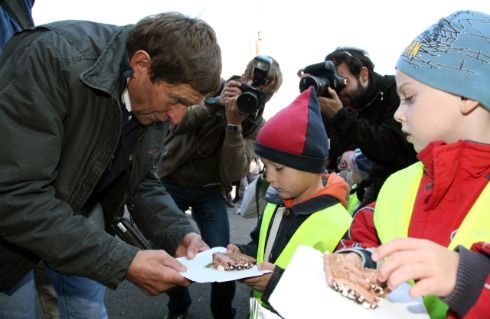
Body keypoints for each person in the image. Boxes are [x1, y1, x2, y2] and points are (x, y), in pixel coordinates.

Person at [0, 12, 221, 318]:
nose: (177, 117)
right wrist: (122, 261)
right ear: (141, 65)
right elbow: (15, 196)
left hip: (77, 222)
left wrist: (180, 233)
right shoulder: (50, 57)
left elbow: (141, 179)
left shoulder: (154, 104)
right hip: (11, 236)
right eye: (176, 100)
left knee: (88, 311)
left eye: (187, 106)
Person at [336, 10, 490, 319]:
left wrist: (470, 279)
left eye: (409, 98)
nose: (397, 114)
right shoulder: (400, 182)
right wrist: (358, 257)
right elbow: (366, 233)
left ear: (466, 95)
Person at [157, 55, 282, 319]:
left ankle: (223, 313)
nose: (256, 95)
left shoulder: (255, 125)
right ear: (245, 76)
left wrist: (234, 124)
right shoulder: (215, 89)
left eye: (265, 94)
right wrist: (215, 104)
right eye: (253, 85)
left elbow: (234, 171)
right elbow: (179, 122)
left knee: (222, 253)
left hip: (210, 190)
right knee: (169, 246)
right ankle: (178, 308)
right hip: (173, 180)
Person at [227, 87, 353, 317]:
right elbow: (261, 247)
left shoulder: (342, 224)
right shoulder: (275, 204)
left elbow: (337, 297)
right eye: (266, 167)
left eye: (280, 168)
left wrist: (275, 283)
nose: (269, 177)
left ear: (311, 166)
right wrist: (242, 253)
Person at [301, 47, 417, 206]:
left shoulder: (394, 91)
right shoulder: (334, 106)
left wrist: (340, 116)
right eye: (332, 83)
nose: (338, 92)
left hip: (402, 185)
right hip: (354, 190)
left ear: (363, 74)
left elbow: (391, 148)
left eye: (343, 82)